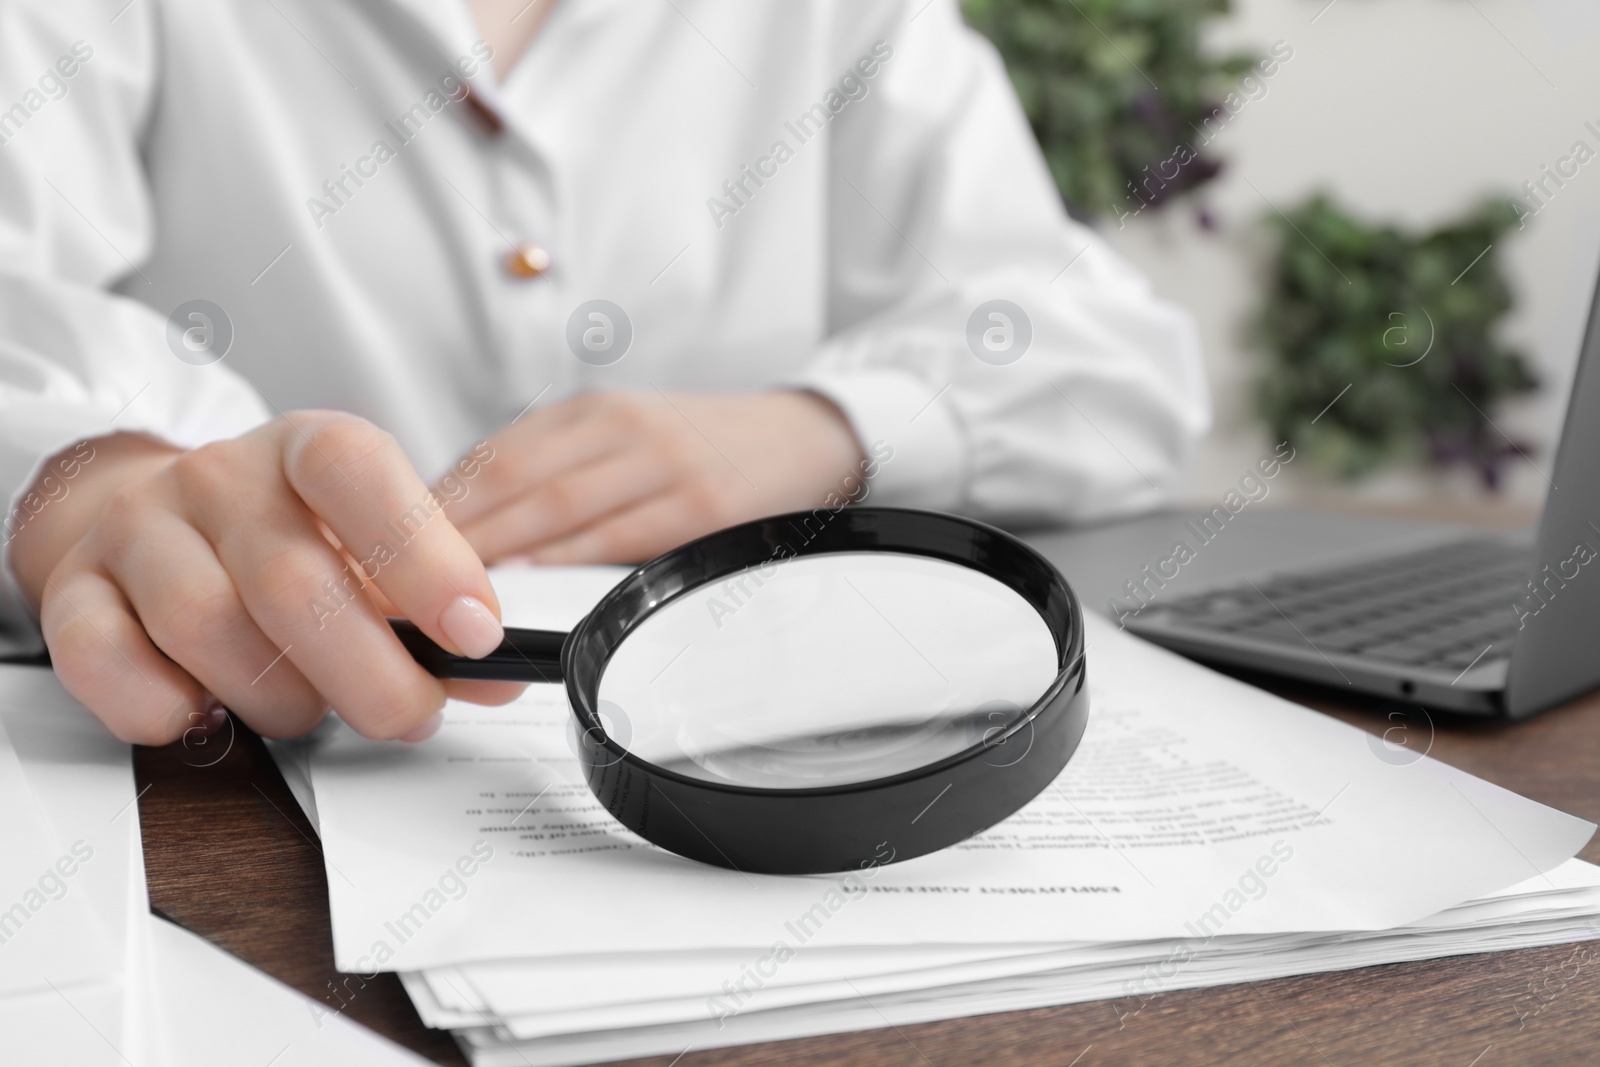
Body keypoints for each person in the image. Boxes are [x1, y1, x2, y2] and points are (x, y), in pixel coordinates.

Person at [0, 0, 1208, 747]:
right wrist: (97, 483)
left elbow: (1116, 361)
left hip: (768, 706)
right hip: (249, 769)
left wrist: (815, 428)